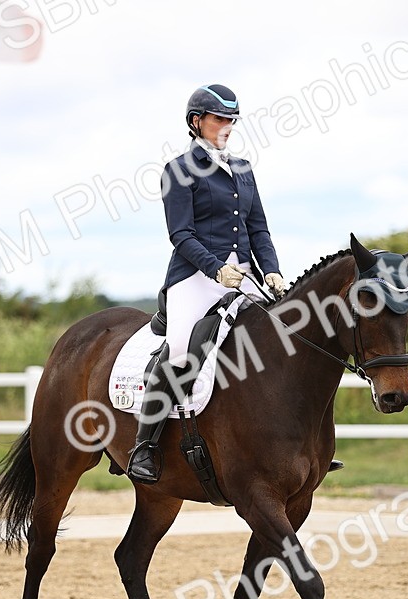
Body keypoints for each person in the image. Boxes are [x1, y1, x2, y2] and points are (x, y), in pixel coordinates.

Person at [127, 83, 286, 484]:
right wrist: (216, 269)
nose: (227, 126)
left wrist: (272, 270)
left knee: (286, 337)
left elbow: (259, 228)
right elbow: (180, 235)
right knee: (181, 349)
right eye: (220, 119)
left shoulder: (244, 169)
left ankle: (294, 443)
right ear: (197, 122)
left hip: (245, 275)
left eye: (231, 120)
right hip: (195, 277)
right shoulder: (178, 171)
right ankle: (145, 446)